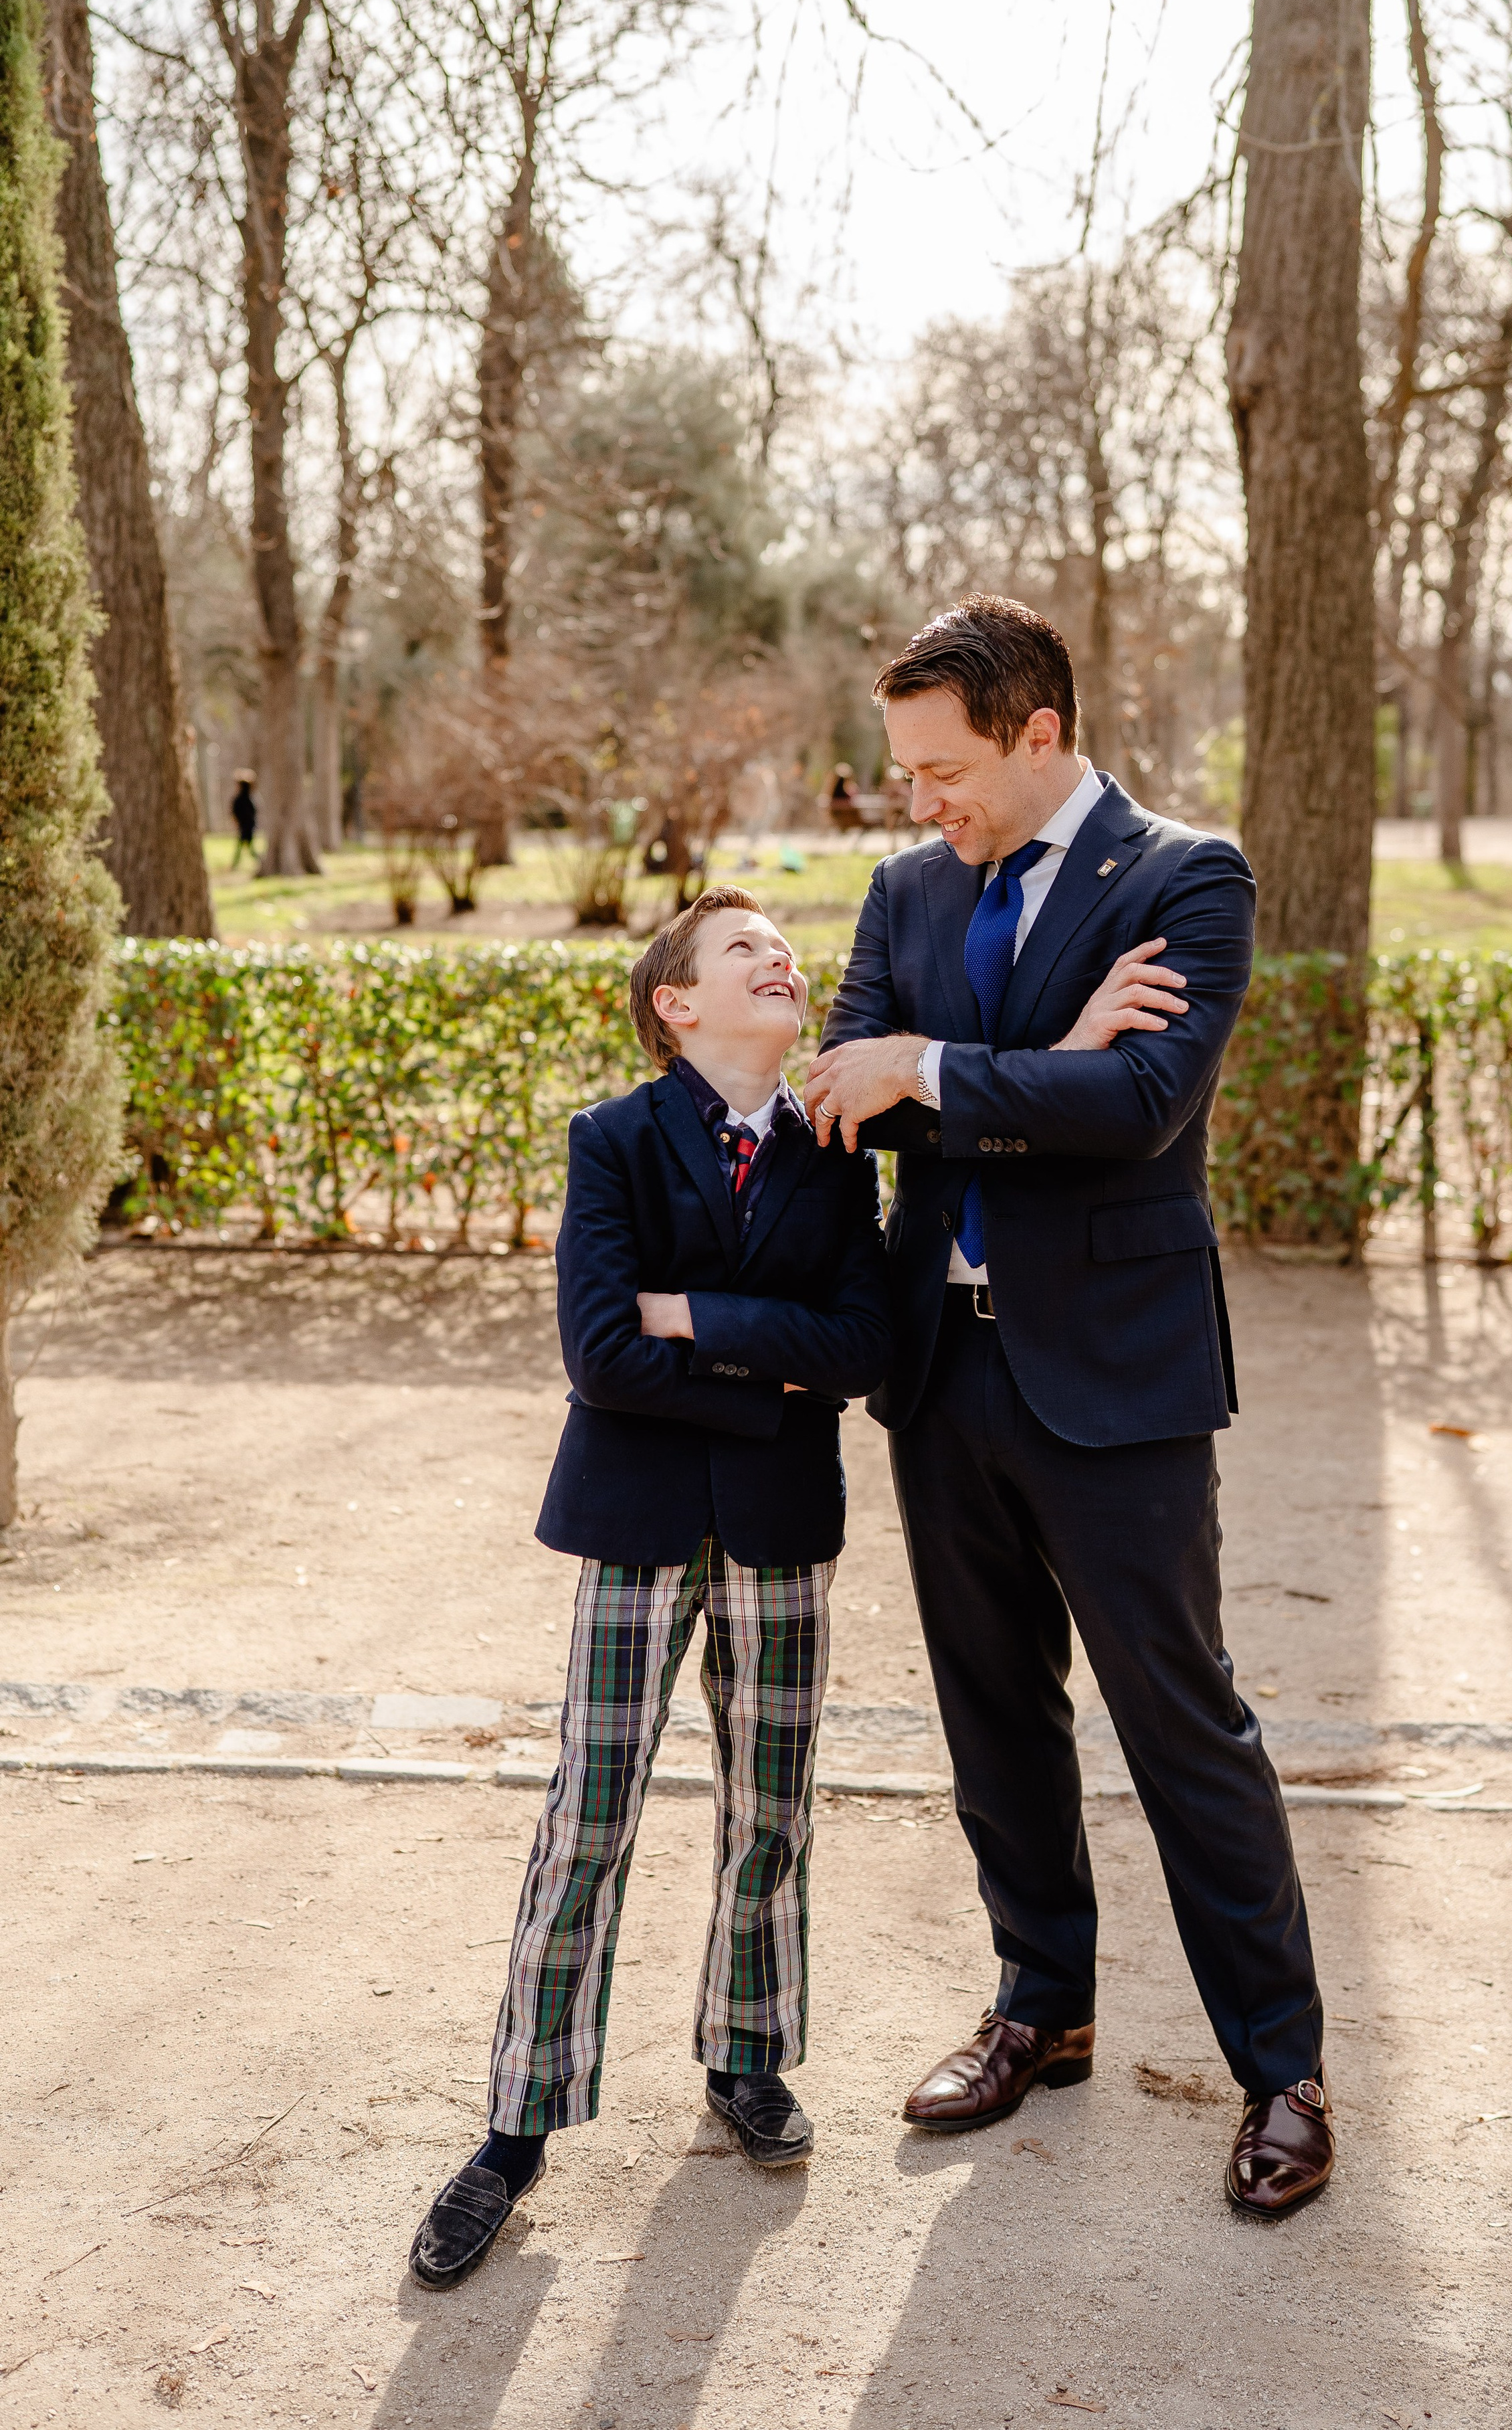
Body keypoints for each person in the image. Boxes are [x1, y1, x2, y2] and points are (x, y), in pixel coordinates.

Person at [804, 594, 1332, 2219]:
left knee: (1182, 1721)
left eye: (942, 766)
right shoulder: (905, 887)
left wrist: (939, 1068)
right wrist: (1022, 1058)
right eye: (903, 770)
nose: (917, 802)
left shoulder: (1186, 875)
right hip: (939, 1369)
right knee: (990, 1712)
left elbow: (1142, 1105)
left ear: (1039, 733)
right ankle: (1045, 2003)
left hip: (1117, 1376)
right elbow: (840, 1091)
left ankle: (1281, 2070)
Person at [408, 888, 891, 2290]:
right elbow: (602, 1358)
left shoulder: (831, 1147)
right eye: (744, 949)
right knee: (588, 1818)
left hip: (781, 1528)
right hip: (632, 1523)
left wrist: (703, 1320)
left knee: (772, 1808)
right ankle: (517, 2121)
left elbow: (860, 1346)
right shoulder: (612, 1141)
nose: (779, 959)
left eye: (784, 948)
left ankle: (745, 2054)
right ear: (675, 1003)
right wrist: (771, 1371)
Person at [229, 771, 257, 870]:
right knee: (247, 847)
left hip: (245, 826)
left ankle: (235, 865)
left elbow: (235, 812)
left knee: (246, 847)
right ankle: (235, 864)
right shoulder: (251, 798)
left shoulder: (241, 799)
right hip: (249, 825)